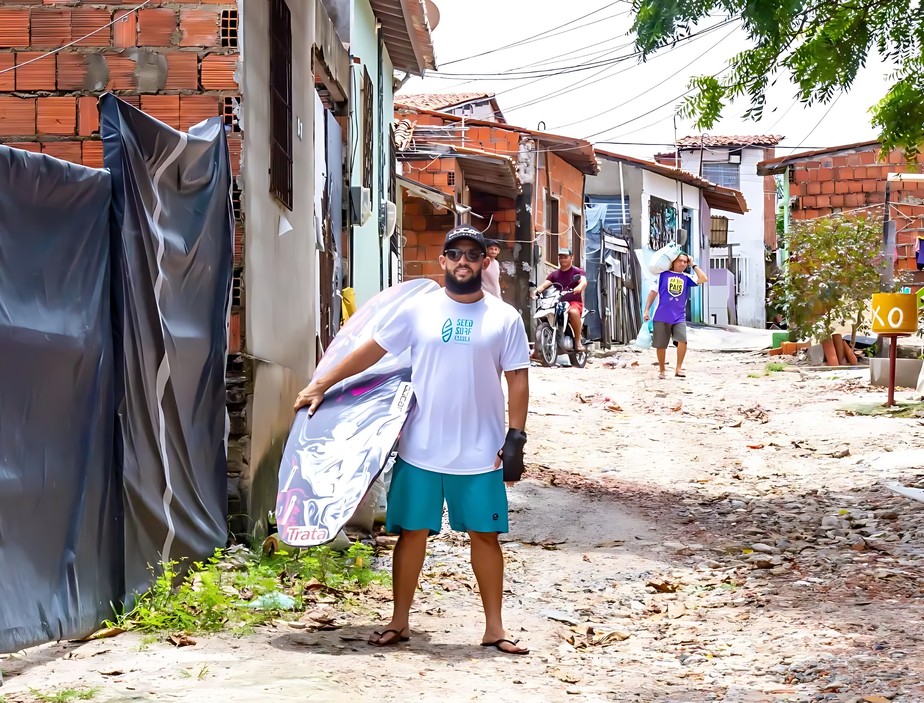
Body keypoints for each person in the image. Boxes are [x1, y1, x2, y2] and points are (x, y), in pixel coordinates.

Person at [294, 225, 531, 655]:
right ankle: (399, 621)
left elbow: (517, 379)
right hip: (420, 447)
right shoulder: (419, 312)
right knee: (411, 534)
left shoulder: (504, 318)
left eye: (472, 255)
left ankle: (494, 628)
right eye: (455, 254)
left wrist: (515, 439)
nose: (463, 261)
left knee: (485, 537)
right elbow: (372, 350)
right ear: (442, 261)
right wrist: (323, 383)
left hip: (480, 452)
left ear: (484, 262)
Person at [643, 253, 708, 379]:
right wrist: (646, 310)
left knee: (682, 341)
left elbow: (703, 278)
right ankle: (662, 370)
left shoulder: (686, 277)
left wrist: (693, 264)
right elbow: (652, 293)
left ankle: (678, 368)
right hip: (661, 315)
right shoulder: (662, 276)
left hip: (679, 316)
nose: (682, 264)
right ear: (673, 262)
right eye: (680, 261)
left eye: (685, 261)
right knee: (661, 345)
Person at [531, 248, 588, 352]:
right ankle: (537, 351)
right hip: (557, 302)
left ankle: (578, 341)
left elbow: (583, 281)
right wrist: (536, 291)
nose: (562, 259)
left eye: (565, 257)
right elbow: (544, 285)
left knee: (573, 312)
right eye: (560, 257)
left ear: (572, 258)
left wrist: (579, 287)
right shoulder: (554, 274)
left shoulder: (578, 271)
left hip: (574, 302)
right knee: (544, 314)